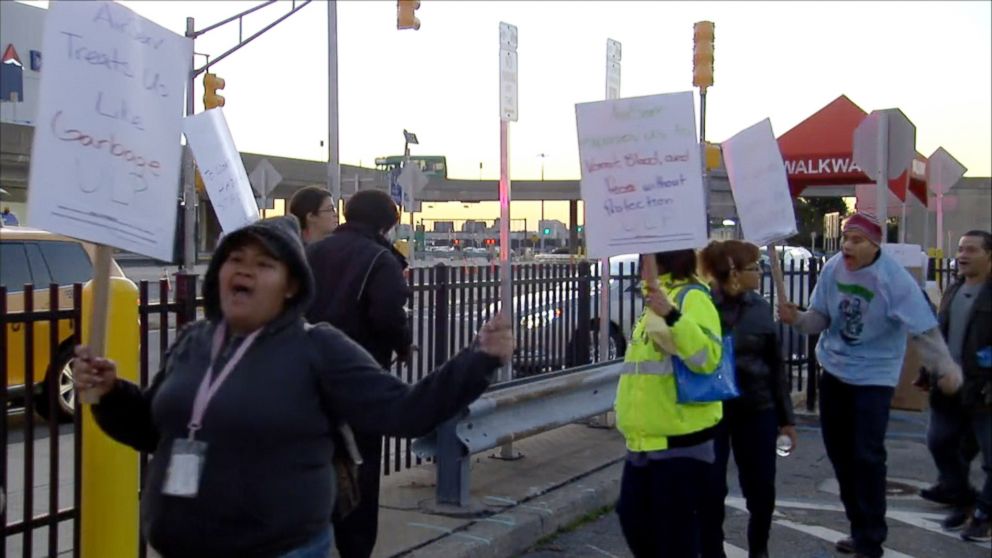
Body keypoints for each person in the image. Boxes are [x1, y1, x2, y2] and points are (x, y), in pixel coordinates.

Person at [72, 216, 513, 558]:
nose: (245, 271)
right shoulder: (193, 342)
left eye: (264, 265)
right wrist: (112, 394)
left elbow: (405, 411)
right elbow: (153, 430)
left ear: (290, 287)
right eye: (236, 259)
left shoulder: (317, 347)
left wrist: (479, 359)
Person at [780, 212, 964, 558]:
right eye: (846, 238)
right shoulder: (833, 267)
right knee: (841, 456)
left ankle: (871, 538)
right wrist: (799, 319)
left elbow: (922, 328)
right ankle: (856, 527)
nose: (848, 245)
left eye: (857, 240)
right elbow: (820, 317)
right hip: (834, 370)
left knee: (867, 456)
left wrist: (944, 367)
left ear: (875, 245)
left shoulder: (892, 278)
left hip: (874, 378)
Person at [305, 189, 412, 558]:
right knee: (360, 467)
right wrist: (402, 344)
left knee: (312, 460)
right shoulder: (381, 259)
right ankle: (354, 548)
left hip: (306, 376)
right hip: (359, 378)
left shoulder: (311, 253)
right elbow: (387, 315)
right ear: (386, 223)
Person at [615, 249, 724, 557]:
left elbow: (706, 358)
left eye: (645, 255)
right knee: (634, 519)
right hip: (644, 440)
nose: (639, 262)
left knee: (675, 537)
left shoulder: (692, 298)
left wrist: (672, 316)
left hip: (681, 442)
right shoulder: (655, 298)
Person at [698, 240, 797, 558]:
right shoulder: (703, 305)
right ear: (733, 272)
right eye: (754, 267)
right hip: (713, 411)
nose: (760, 273)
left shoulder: (760, 307)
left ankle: (759, 548)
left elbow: (775, 365)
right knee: (711, 489)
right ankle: (713, 550)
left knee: (761, 488)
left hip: (758, 409)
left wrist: (786, 419)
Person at [920, 230, 992, 541]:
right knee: (941, 443)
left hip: (984, 389)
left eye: (971, 250)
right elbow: (940, 336)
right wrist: (928, 372)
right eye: (961, 249)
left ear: (989, 256)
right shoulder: (953, 290)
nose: (962, 255)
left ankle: (984, 514)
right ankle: (964, 500)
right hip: (949, 385)